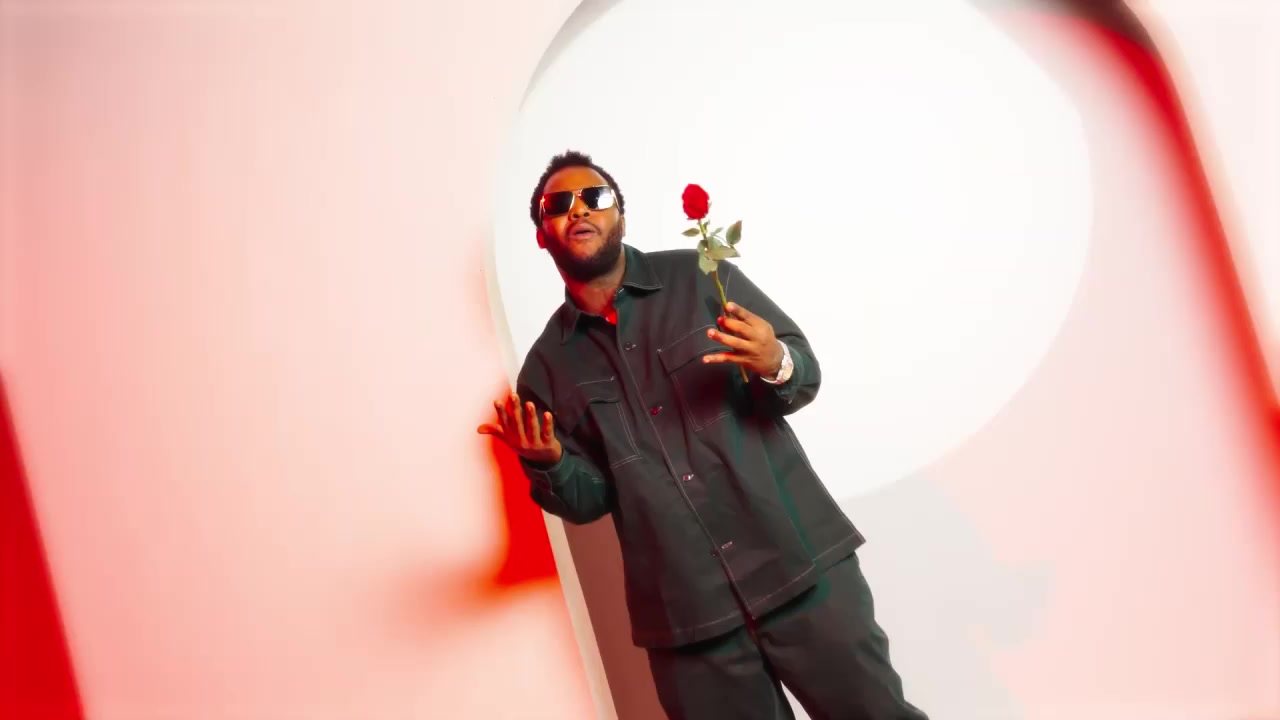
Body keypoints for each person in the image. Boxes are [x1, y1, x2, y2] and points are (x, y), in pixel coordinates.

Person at [477, 150, 928, 720]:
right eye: (558, 205)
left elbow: (803, 374)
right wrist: (549, 462)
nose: (579, 210)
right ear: (542, 236)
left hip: (800, 568)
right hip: (689, 623)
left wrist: (775, 361)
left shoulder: (702, 277)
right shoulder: (546, 371)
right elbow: (589, 500)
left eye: (595, 197)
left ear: (621, 217)